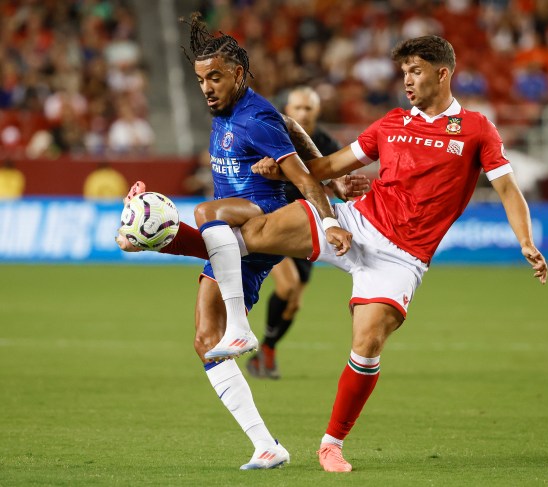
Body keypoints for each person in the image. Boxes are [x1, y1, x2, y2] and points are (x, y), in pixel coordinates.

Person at [121, 35, 548, 473]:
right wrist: (282, 167)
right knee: (248, 231)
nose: (407, 81)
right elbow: (328, 166)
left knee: (367, 345)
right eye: (403, 73)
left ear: (443, 74)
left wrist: (526, 241)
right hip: (357, 222)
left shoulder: (477, 129)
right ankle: (167, 246)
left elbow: (507, 188)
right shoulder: (391, 124)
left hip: (402, 257)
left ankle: (331, 444)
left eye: (415, 72)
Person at [118, 14, 367, 471]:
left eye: (214, 77)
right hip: (231, 239)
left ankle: (240, 324)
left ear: (236, 74)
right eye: (200, 80)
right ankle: (265, 445)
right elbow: (295, 128)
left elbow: (300, 174)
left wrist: (329, 215)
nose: (206, 88)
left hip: (263, 221)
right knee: (203, 339)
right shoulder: (226, 114)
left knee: (206, 214)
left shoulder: (256, 117)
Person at [246, 86, 342, 380]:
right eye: (297, 108)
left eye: (308, 109)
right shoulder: (272, 134)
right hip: (273, 218)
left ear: (317, 111)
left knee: (295, 301)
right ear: (287, 109)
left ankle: (267, 350)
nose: (303, 113)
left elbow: (337, 178)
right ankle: (242, 338)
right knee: (287, 286)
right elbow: (248, 167)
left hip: (306, 224)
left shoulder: (325, 142)